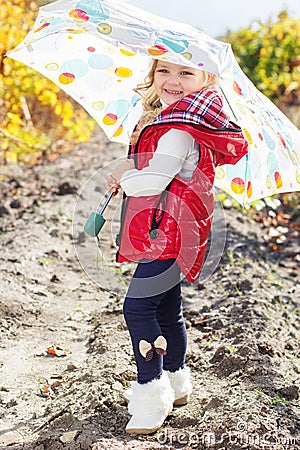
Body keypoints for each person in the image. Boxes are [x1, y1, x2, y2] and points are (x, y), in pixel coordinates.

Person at [106, 59, 248, 435]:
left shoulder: (179, 130)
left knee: (137, 308)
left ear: (206, 80)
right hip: (173, 231)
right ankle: (177, 380)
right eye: (164, 71)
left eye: (186, 73)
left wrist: (125, 173)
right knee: (167, 308)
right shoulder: (178, 121)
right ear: (152, 75)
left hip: (167, 234)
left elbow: (153, 183)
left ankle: (152, 392)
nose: (172, 80)